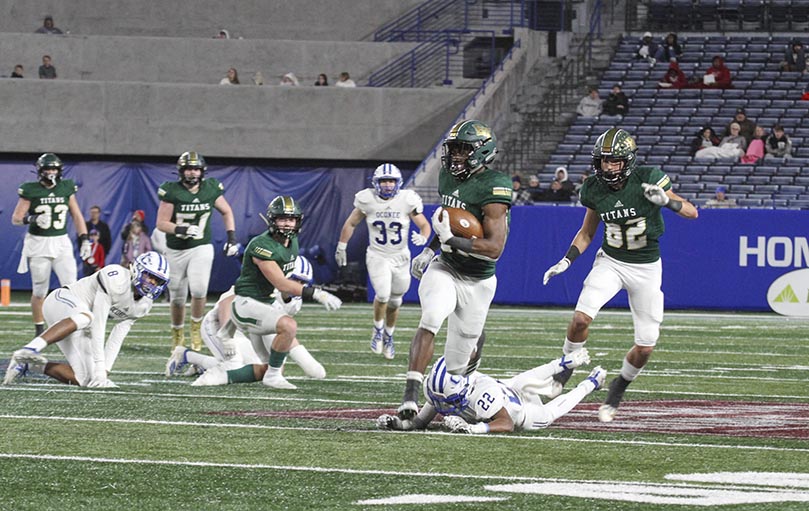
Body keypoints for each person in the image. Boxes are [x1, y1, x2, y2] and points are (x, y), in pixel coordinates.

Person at [542, 128, 698, 423]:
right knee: (579, 319)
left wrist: (667, 201)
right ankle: (567, 365)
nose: (608, 167)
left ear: (627, 162)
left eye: (614, 161)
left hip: (646, 268)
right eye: (604, 161)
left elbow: (692, 212)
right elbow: (587, 232)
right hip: (611, 262)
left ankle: (618, 387)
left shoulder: (648, 178)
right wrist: (567, 260)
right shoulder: (593, 189)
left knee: (645, 347)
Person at [397, 119, 512, 420]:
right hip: (446, 267)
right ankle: (410, 393)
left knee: (457, 367)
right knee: (432, 316)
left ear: (481, 151)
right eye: (454, 149)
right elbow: (446, 222)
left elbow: (495, 248)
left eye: (463, 150)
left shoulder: (494, 186)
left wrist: (453, 240)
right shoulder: (448, 177)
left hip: (479, 280)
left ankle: (459, 395)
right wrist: (430, 248)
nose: (456, 156)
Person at [214, 195, 342, 389]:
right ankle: (266, 375)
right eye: (282, 219)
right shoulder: (261, 246)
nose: (287, 224)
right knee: (287, 327)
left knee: (295, 367)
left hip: (265, 303)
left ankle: (218, 377)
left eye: (291, 219)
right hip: (246, 304)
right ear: (272, 220)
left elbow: (283, 286)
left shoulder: (293, 242)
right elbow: (281, 283)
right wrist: (316, 293)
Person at [3, 252, 169, 387]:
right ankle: (30, 349)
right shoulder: (116, 277)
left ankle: (27, 365)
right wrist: (99, 366)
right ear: (137, 269)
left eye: (157, 280)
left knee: (85, 379)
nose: (152, 283)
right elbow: (99, 322)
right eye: (150, 276)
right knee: (89, 317)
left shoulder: (144, 305)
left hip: (80, 323)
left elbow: (117, 337)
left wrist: (103, 372)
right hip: (60, 301)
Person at [167, 256, 326, 384]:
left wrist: (308, 363)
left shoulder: (293, 301)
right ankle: (192, 359)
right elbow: (226, 304)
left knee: (263, 368)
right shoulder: (262, 285)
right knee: (235, 365)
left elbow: (283, 330)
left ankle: (190, 358)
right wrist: (227, 338)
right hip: (221, 323)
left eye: (303, 283)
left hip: (246, 331)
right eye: (296, 280)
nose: (299, 286)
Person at [335, 164, 431, 359]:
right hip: (378, 255)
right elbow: (351, 223)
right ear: (376, 183)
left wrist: (423, 236)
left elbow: (424, 224)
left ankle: (389, 335)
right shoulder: (367, 199)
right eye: (384, 181)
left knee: (395, 301)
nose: (388, 185)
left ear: (398, 183)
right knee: (383, 294)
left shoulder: (407, 199)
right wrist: (342, 245)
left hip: (401, 257)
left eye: (391, 181)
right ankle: (377, 329)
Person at [379, 351, 604, 434]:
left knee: (548, 412)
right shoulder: (439, 390)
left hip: (520, 411)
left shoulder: (481, 394)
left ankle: (591, 382)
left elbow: (506, 424)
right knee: (523, 380)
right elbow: (419, 422)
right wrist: (397, 424)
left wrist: (472, 428)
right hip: (506, 388)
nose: (442, 405)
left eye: (447, 400)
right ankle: (564, 364)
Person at [156, 151, 240, 352]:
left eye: (195, 168)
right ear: (181, 171)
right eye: (188, 169)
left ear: (202, 171)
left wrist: (231, 238)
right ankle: (177, 333)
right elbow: (161, 223)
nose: (192, 173)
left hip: (201, 246)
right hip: (176, 249)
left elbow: (227, 211)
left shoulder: (210, 188)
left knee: (200, 288)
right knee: (177, 295)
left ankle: (196, 329)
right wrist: (180, 229)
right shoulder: (172, 191)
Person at [12, 153, 91, 336]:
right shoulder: (30, 190)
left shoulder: (66, 187)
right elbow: (16, 218)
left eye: (54, 168)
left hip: (61, 242)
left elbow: (77, 215)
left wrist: (84, 238)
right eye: (48, 168)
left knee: (72, 286)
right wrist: (32, 218)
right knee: (40, 290)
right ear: (40, 171)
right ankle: (39, 328)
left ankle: (76, 324)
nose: (51, 172)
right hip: (38, 243)